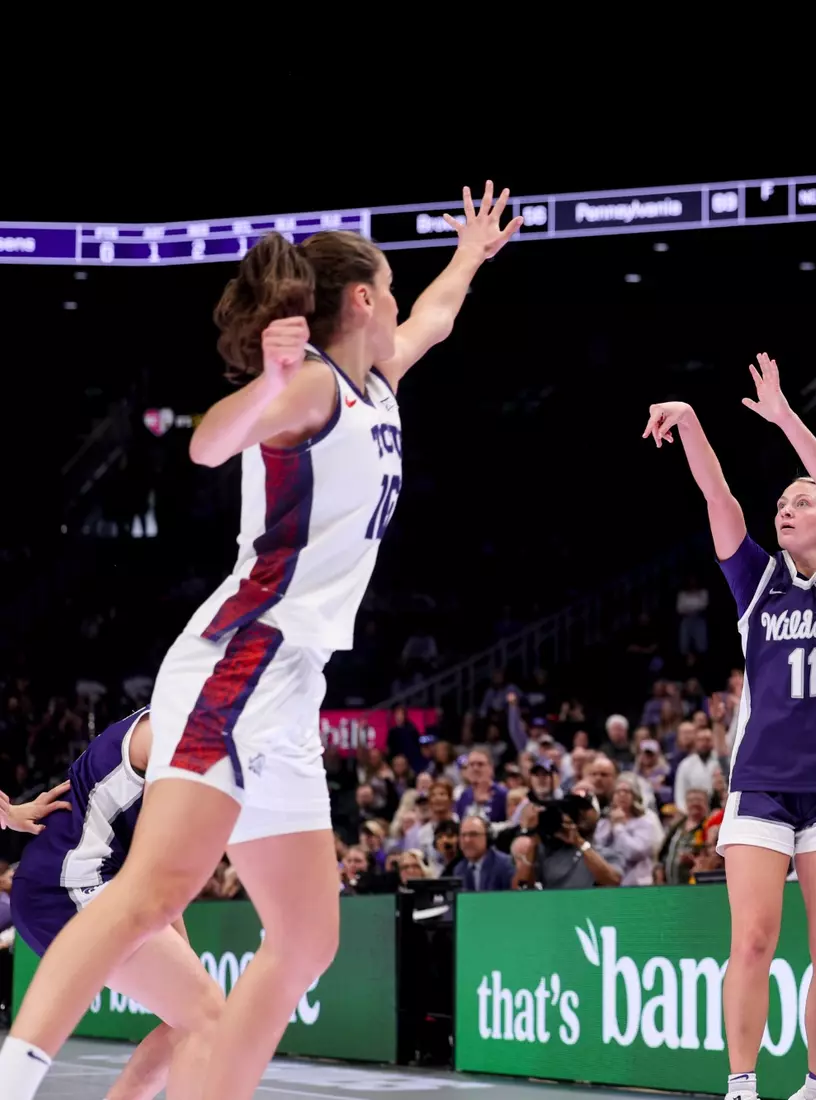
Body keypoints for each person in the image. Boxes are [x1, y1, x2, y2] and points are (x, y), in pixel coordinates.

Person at [0, 184, 522, 1100]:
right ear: (360, 297)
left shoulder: (376, 375)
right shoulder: (312, 383)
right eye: (389, 285)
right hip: (237, 659)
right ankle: (16, 1073)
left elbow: (435, 317)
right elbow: (208, 445)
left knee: (310, 941)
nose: (400, 298)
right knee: (157, 892)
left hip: (290, 683)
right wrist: (267, 387)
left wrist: (472, 254)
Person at [643, 352, 816, 1100]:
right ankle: (743, 1085)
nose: (787, 508)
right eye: (783, 501)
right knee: (751, 941)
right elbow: (717, 493)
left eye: (801, 502)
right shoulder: (756, 581)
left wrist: (787, 420)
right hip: (761, 788)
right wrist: (690, 421)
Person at [2, 709, 225, 1100]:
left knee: (195, 1017)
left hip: (71, 884)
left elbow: (160, 869)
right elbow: (159, 868)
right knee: (206, 1016)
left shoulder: (184, 734)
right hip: (69, 887)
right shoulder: (169, 740)